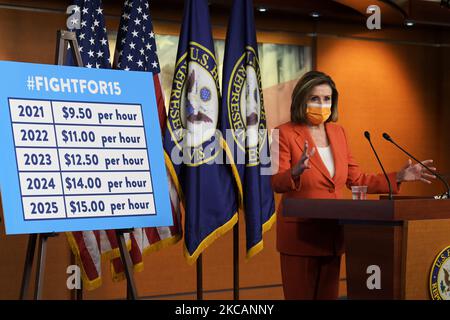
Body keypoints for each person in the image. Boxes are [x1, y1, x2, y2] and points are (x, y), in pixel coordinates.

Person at [271, 71, 437, 300]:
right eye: (315, 98)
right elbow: (273, 182)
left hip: (332, 235)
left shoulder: (338, 133)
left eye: (327, 99)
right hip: (300, 235)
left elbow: (356, 179)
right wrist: (295, 172)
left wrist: (398, 177)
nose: (322, 104)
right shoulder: (282, 133)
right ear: (301, 100)